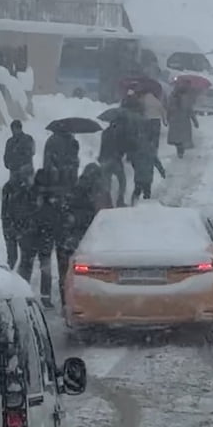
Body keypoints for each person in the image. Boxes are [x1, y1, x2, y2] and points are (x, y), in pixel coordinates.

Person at [56, 163, 105, 307]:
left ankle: (67, 304)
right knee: (76, 275)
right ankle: (74, 303)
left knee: (66, 275)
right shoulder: (87, 193)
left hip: (67, 240)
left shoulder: (75, 190)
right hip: (77, 241)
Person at [17, 169, 64, 307]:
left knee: (29, 267)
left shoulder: (30, 195)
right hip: (42, 236)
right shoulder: (48, 198)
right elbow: (55, 217)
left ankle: (23, 294)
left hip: (35, 236)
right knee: (41, 267)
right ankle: (42, 297)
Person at [1, 120, 36, 268]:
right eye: (13, 129)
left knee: (24, 196)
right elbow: (7, 159)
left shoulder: (24, 140)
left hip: (23, 172)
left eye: (16, 128)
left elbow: (29, 153)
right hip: (17, 172)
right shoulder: (14, 141)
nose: (14, 131)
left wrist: (19, 164)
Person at [99, 116, 136, 206]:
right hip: (115, 160)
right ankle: (120, 199)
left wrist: (101, 158)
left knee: (106, 182)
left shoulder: (105, 132)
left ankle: (107, 202)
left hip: (104, 160)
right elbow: (123, 146)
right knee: (122, 180)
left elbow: (102, 146)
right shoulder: (120, 133)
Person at [166, 84, 199, 158]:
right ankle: (181, 150)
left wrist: (167, 118)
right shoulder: (187, 99)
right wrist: (195, 121)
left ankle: (179, 149)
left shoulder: (171, 98)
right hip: (184, 121)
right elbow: (190, 111)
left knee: (176, 138)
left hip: (174, 121)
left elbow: (168, 109)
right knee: (182, 137)